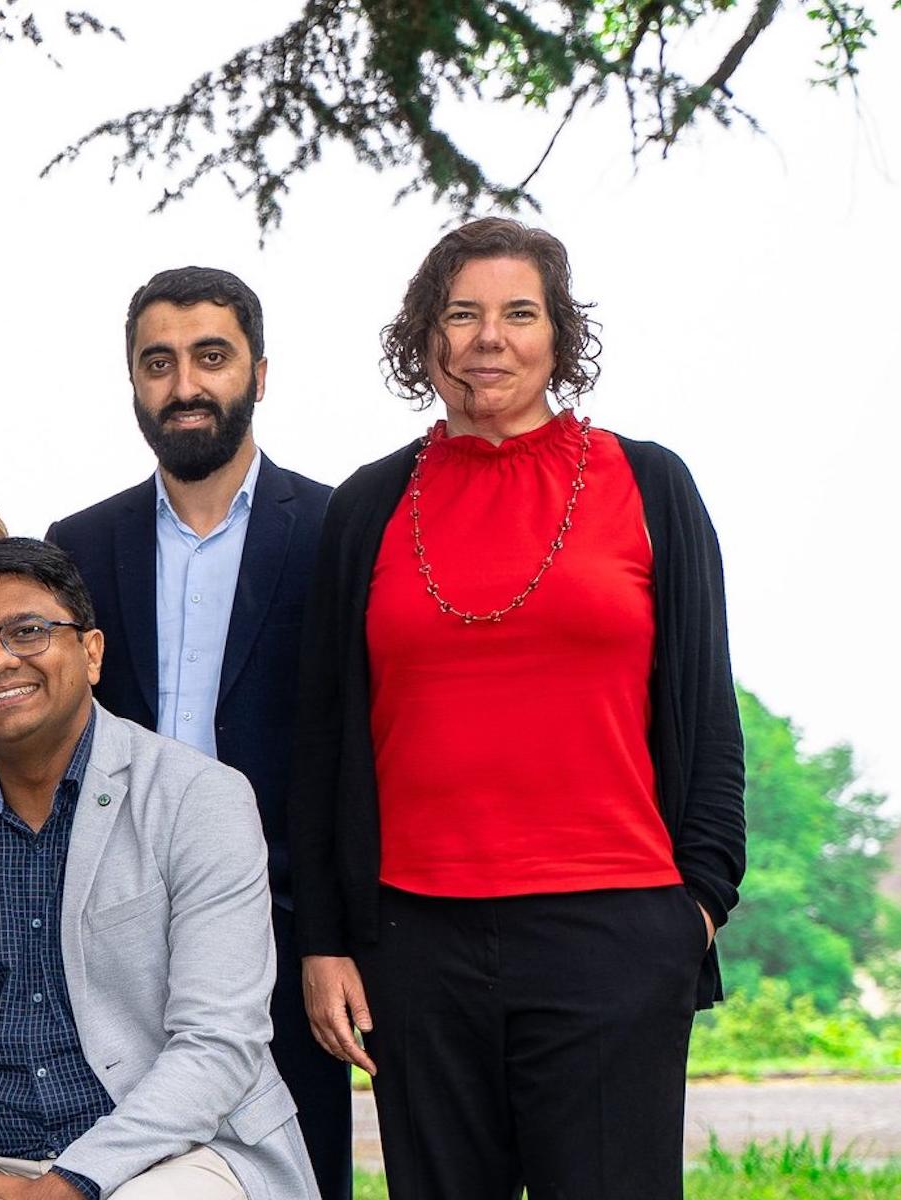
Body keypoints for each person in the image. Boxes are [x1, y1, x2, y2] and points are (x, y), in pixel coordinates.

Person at [290, 217, 744, 1199]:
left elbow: (708, 714)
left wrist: (698, 907)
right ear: (424, 337)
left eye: (518, 313)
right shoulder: (366, 506)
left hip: (613, 930)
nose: (487, 338)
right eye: (460, 314)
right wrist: (324, 937)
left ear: (558, 336)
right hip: (415, 942)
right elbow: (322, 739)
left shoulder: (649, 483)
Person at [0, 538, 317, 1200]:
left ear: (92, 652)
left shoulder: (199, 798)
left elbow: (218, 1042)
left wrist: (66, 1185)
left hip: (184, 1153)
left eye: (27, 631)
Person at [41, 269, 346, 1195]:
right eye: (158, 362)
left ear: (260, 372)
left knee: (296, 1176)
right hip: (113, 929)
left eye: (211, 357)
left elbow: (355, 751)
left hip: (283, 927)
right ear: (133, 380)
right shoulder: (78, 544)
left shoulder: (337, 529)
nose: (185, 385)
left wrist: (335, 935)